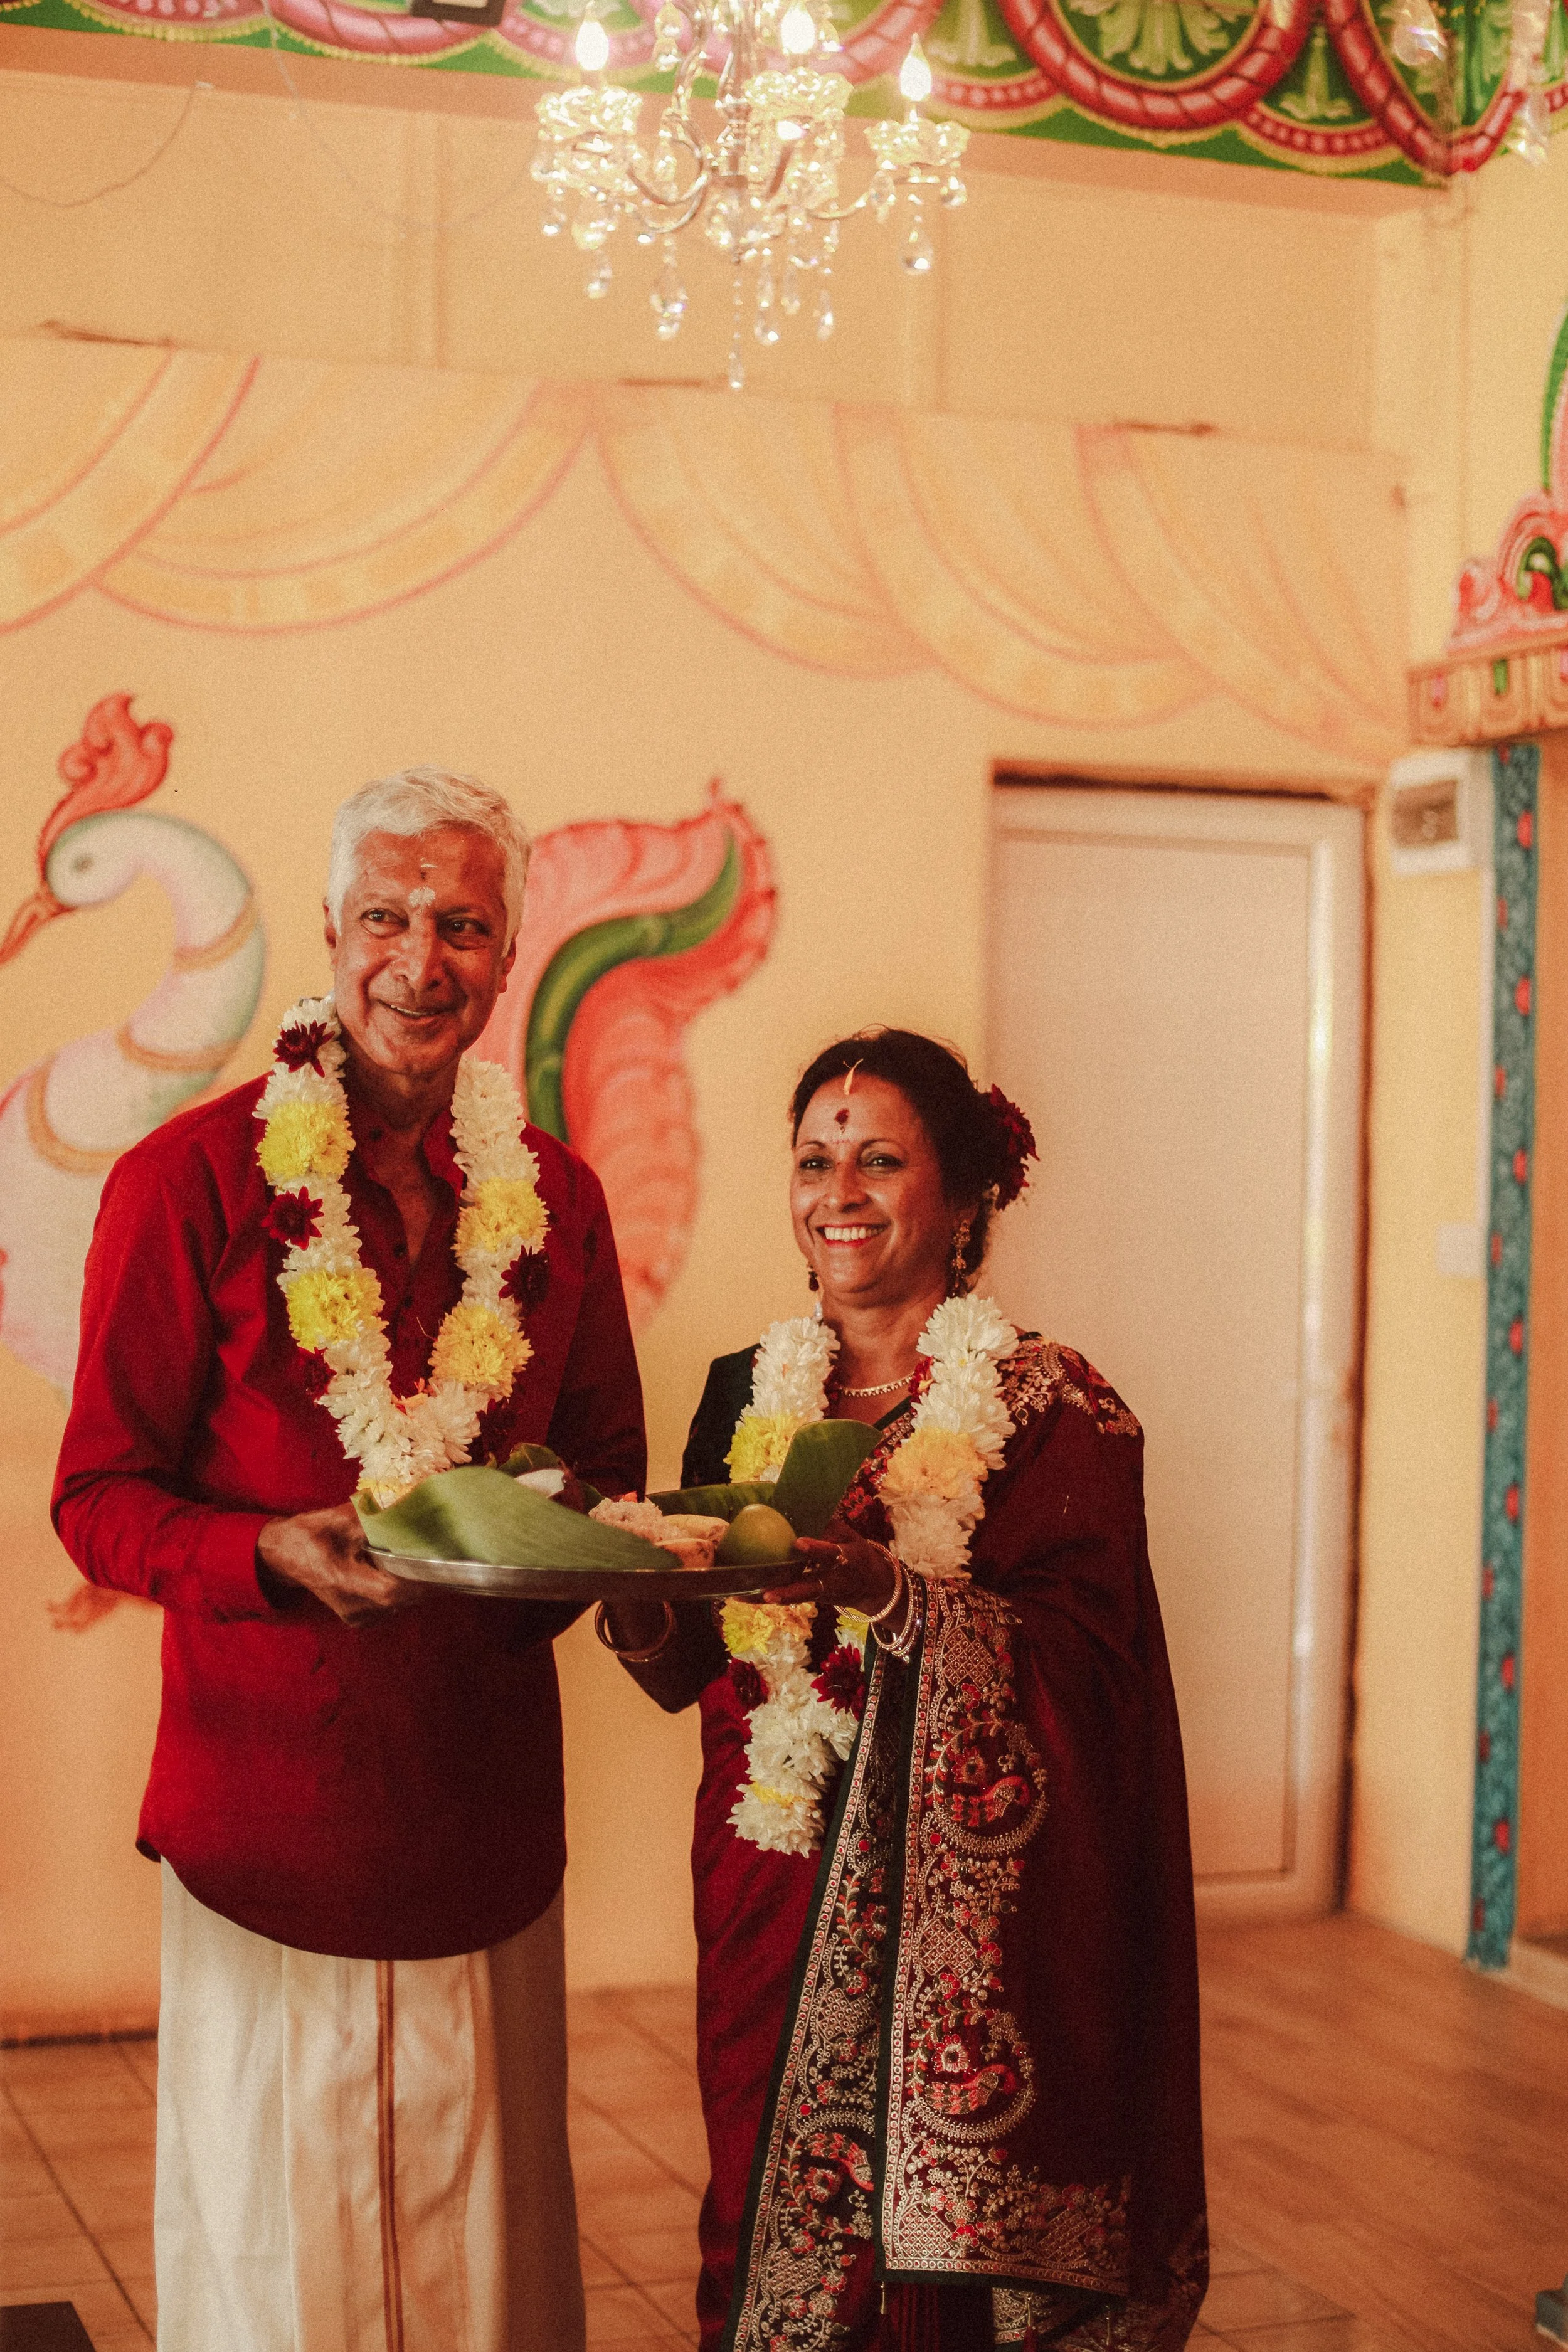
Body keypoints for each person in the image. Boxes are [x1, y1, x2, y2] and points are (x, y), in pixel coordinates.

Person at [53, 766, 646, 2352]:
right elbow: (97, 1495)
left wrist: (567, 1552)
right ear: (328, 930)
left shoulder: (558, 1204)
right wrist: (266, 1553)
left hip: (479, 1810)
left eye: (462, 923)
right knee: (279, 2250)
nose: (418, 958)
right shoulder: (189, 1183)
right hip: (269, 1822)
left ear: (507, 952)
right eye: (385, 915)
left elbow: (609, 1485)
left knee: (483, 2248)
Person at [602, 1029, 1207, 2352]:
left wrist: (888, 1592)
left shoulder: (1052, 1409)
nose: (840, 1194)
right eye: (814, 1160)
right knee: (757, 2200)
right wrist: (630, 1595)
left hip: (975, 1940)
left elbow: (1092, 1678)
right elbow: (694, 1674)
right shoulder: (742, 1396)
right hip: (768, 1877)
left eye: (880, 1161)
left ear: (964, 1195)